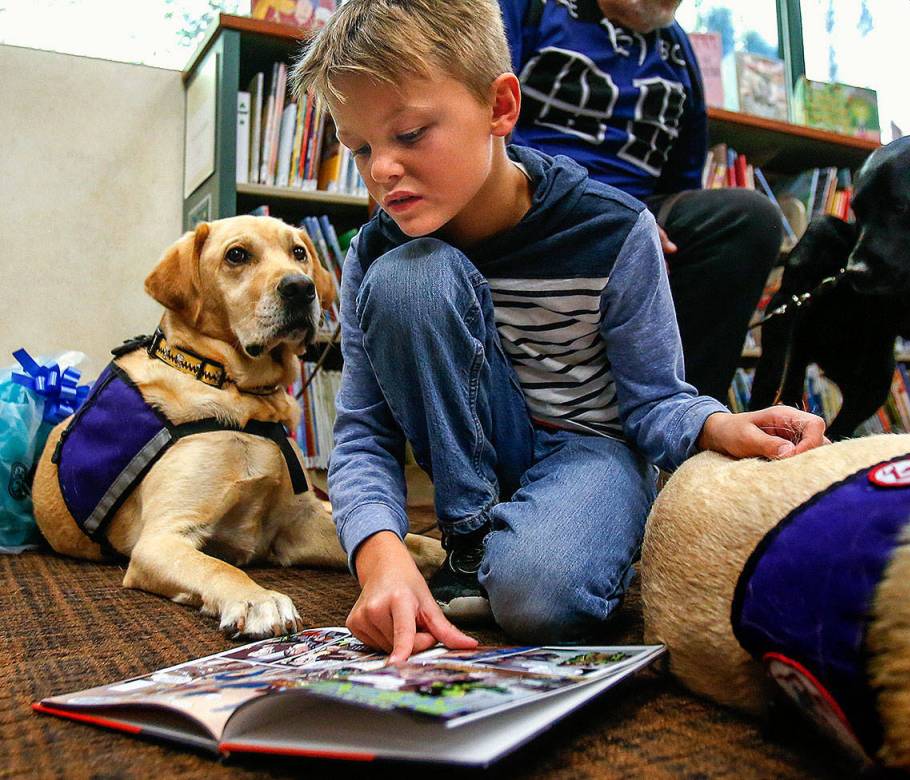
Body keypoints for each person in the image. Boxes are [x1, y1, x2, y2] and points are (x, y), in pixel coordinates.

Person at [292, 0, 825, 663]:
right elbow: (365, 430)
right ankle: (470, 536)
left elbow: (654, 399)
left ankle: (562, 539)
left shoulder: (614, 229)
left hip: (590, 448)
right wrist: (379, 558)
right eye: (361, 148)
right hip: (477, 463)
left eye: (409, 135)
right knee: (408, 277)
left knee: (542, 599)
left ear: (500, 108)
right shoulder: (378, 249)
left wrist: (718, 426)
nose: (380, 171)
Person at [500, 0, 784, 403]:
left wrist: (637, 226)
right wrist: (600, 212)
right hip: (530, 194)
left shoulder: (678, 49)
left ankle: (689, 420)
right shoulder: (530, 7)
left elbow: (683, 175)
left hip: (638, 209)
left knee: (750, 220)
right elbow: (481, 122)